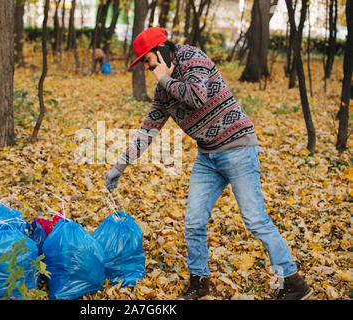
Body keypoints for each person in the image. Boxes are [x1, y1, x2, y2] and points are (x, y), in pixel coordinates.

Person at [104, 27, 313, 300]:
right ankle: (199, 281)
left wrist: (166, 80)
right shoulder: (162, 90)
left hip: (238, 148)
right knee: (193, 221)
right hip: (207, 157)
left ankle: (294, 282)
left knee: (255, 220)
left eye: (147, 59)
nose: (146, 66)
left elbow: (196, 95)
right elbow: (147, 131)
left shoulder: (193, 58)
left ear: (162, 51)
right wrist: (119, 166)